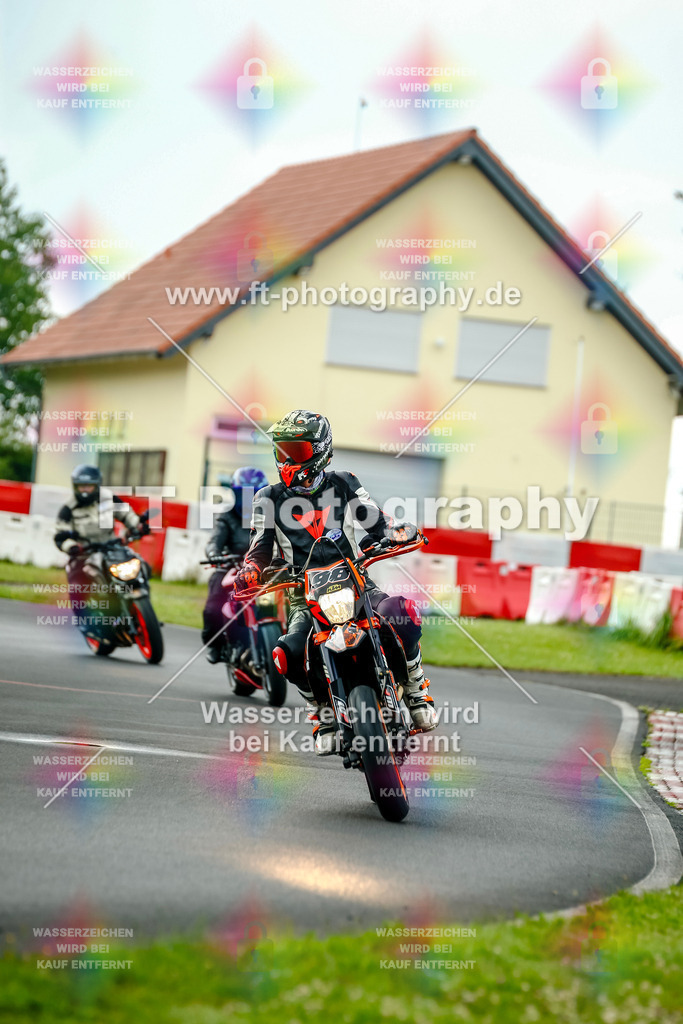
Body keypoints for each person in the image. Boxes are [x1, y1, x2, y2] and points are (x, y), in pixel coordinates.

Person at [235, 410, 438, 754]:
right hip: (303, 598)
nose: (287, 459)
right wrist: (251, 570)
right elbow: (259, 549)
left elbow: (377, 520)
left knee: (402, 612)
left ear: (319, 451)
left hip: (358, 583)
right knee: (286, 653)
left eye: (296, 451)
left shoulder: (344, 481)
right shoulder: (266, 498)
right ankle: (321, 712)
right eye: (281, 450)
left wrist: (394, 531)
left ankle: (417, 691)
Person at [53, 465, 146, 629]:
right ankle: (85, 621)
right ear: (75, 486)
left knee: (140, 565)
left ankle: (143, 605)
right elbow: (60, 536)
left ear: (97, 485)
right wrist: (72, 546)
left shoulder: (109, 500)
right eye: (81, 486)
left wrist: (138, 526)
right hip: (83, 554)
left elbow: (127, 514)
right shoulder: (68, 509)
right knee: (77, 585)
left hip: (112, 548)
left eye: (88, 486)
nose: (85, 490)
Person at [202, 466, 269, 664]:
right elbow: (214, 542)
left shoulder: (271, 518)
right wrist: (214, 554)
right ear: (235, 494)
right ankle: (216, 645)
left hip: (263, 570)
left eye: (254, 494)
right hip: (231, 568)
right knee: (213, 608)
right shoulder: (227, 517)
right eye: (243, 494)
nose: (249, 500)